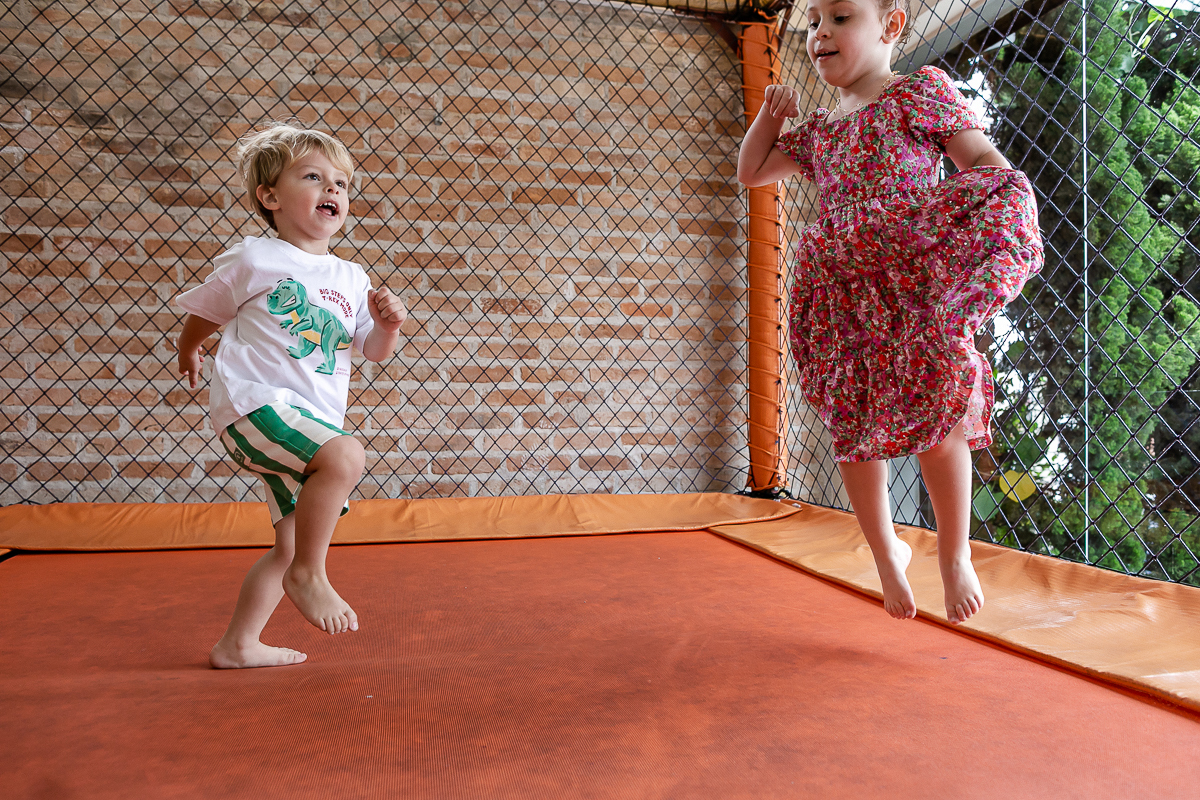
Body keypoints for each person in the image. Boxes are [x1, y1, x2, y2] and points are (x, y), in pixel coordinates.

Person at [737, 0, 1043, 623]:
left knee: (942, 411)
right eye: (815, 20)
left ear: (891, 24)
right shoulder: (821, 128)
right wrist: (768, 119)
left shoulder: (917, 95)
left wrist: (993, 199)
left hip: (911, 286)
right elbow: (753, 171)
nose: (821, 31)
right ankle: (885, 552)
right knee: (853, 424)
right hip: (845, 292)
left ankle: (954, 552)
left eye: (840, 17)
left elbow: (981, 162)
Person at [174, 124, 407, 667]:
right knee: (346, 455)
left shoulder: (350, 276)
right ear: (271, 197)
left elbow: (369, 351)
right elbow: (207, 310)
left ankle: (237, 645)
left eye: (342, 183)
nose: (333, 190)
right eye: (313, 177)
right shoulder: (255, 259)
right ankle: (312, 574)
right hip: (255, 405)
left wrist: (388, 327)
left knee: (289, 542)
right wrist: (189, 349)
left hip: (309, 420)